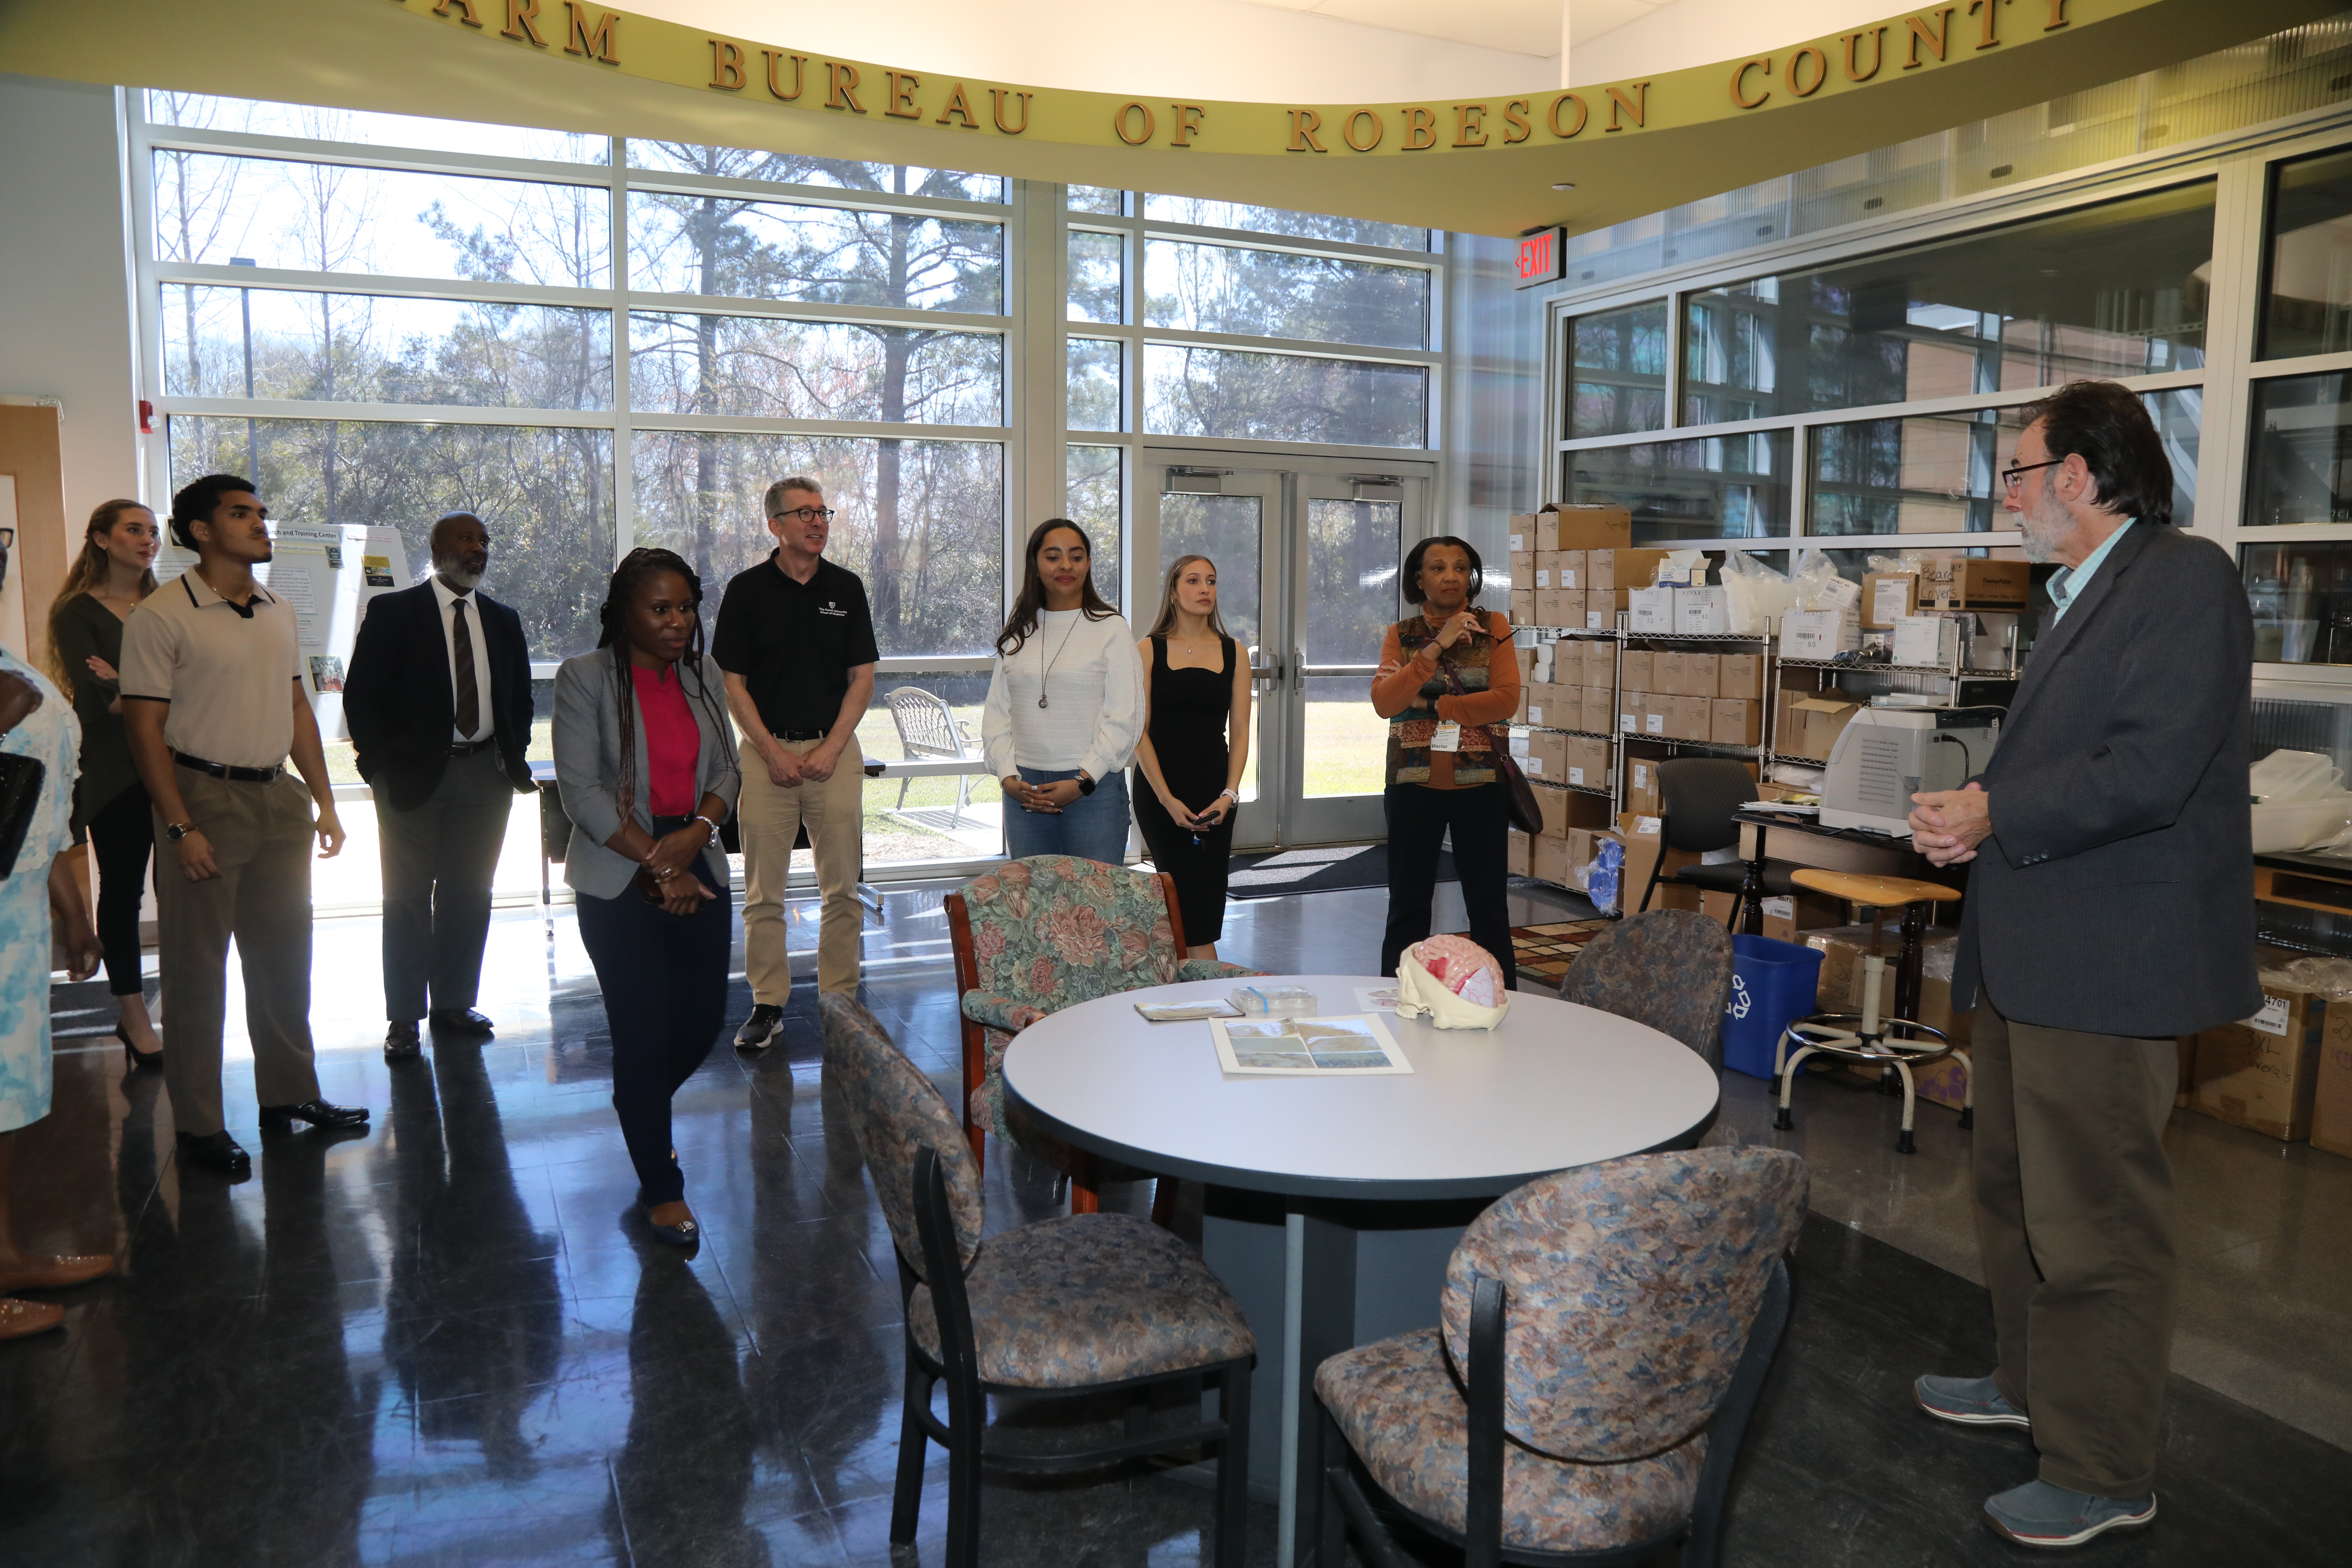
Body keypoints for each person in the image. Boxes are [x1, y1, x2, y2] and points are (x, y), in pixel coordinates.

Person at [1907, 380, 2256, 1549]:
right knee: (2015, 1195)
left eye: (2015, 472)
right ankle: (2029, 1387)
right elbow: (2076, 766)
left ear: (2078, 474)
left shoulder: (2184, 578)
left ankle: (2105, 1465)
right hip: (2037, 956)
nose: (2005, 498)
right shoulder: (2082, 596)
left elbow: (2150, 769)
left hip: (2111, 965)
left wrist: (1994, 811)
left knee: (2097, 1220)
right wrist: (1978, 813)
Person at [119, 474, 367, 1178]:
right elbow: (145, 729)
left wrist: (323, 799)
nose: (261, 523)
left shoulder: (277, 608)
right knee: (198, 973)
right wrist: (179, 825)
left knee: (285, 960)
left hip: (275, 800)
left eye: (261, 511)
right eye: (241, 513)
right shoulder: (163, 614)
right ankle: (199, 1123)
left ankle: (290, 1093)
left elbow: (296, 710)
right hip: (203, 797)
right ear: (200, 530)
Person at [552, 548, 741, 1245]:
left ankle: (640, 1104)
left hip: (696, 847)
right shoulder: (585, 679)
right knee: (641, 1026)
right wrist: (662, 866)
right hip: (617, 864)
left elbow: (729, 765)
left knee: (700, 1021)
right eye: (659, 608)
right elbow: (582, 793)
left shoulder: (703, 675)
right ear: (624, 613)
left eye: (686, 607)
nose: (676, 622)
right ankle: (662, 1184)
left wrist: (697, 834)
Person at [343, 511, 536, 1060]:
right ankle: (404, 1016)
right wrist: (376, 766)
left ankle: (454, 1002)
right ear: (437, 546)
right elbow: (363, 697)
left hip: (486, 776)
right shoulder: (395, 612)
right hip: (410, 777)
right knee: (405, 897)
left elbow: (519, 698)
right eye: (467, 538)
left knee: (469, 895)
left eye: (484, 539)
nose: (479, 547)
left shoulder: (503, 619)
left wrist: (511, 754)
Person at [712, 477, 877, 1053]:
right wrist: (772, 751)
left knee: (842, 888)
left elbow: (863, 679)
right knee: (764, 892)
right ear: (775, 525)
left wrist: (833, 746)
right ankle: (768, 1004)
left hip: (835, 751)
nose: (817, 522)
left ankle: (839, 998)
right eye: (803, 513)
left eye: (823, 512)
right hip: (765, 754)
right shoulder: (747, 591)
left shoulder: (847, 588)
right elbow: (733, 685)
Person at [0, 525, 111, 1339]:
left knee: (4, 1107)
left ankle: (5, 1256)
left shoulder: (11, 666)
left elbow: (45, 810)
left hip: (15, 925)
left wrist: (75, 912)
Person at [1371, 535, 1520, 992]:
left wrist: (1438, 707)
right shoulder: (1401, 635)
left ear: (1471, 576)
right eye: (1437, 568)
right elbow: (1385, 702)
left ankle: (1502, 999)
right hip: (1412, 783)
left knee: (1489, 907)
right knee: (1408, 906)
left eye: (1459, 567)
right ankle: (1395, 996)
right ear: (1419, 579)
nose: (1450, 576)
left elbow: (1507, 699)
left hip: (1482, 785)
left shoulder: (1495, 625)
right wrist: (1438, 645)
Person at [46, 498, 163, 1068]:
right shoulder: (77, 613)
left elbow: (195, 690)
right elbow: (105, 703)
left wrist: (131, 684)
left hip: (178, 766)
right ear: (100, 539)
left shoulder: (170, 606)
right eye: (134, 529)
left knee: (188, 895)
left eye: (153, 531)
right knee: (122, 894)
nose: (148, 540)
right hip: (116, 772)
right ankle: (134, 1018)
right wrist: (148, 690)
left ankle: (187, 1008)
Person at [982, 519, 1143, 864]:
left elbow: (1125, 718)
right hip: (1025, 793)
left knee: (1092, 912)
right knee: (1034, 911)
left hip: (1092, 792)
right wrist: (1007, 776)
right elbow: (997, 716)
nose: (1066, 565)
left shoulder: (1111, 628)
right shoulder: (1017, 635)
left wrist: (1083, 781)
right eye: (1053, 557)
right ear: (1036, 566)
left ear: (1087, 565)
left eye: (1077, 556)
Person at [1131, 555, 1250, 960]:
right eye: (1194, 581)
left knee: (1204, 900)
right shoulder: (1148, 650)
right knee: (1180, 899)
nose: (1205, 589)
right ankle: (1200, 998)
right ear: (1173, 590)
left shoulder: (1235, 652)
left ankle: (1192, 1001)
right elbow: (1138, 733)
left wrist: (1229, 795)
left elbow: (1240, 733)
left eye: (1212, 581)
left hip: (1214, 792)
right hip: (1161, 792)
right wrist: (1166, 799)